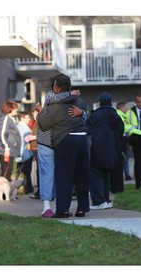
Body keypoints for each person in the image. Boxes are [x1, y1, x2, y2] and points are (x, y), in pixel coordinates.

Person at [37, 74, 89, 218]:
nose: (54, 89)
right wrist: (83, 113)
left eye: (55, 86)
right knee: (81, 176)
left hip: (66, 140)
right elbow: (87, 115)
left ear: (58, 89)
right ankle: (82, 209)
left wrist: (40, 112)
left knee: (64, 177)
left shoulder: (56, 106)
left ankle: (62, 210)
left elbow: (44, 123)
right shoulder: (80, 102)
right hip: (83, 139)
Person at [86, 92, 124, 209]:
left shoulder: (96, 115)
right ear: (110, 102)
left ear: (100, 103)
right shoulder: (116, 116)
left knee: (96, 175)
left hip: (98, 149)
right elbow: (121, 131)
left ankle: (98, 201)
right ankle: (106, 200)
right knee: (106, 175)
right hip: (112, 151)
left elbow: (87, 128)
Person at [0, 100, 21, 182]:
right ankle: (3, 193)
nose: (16, 110)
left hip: (10, 149)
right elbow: (2, 134)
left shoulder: (11, 119)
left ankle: (7, 193)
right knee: (6, 173)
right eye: (15, 108)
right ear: (9, 109)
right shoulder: (5, 119)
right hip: (5, 150)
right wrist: (6, 149)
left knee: (8, 171)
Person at [16, 111, 34, 194]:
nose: (29, 119)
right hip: (25, 153)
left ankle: (21, 188)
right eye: (27, 118)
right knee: (26, 172)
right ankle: (27, 188)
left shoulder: (18, 127)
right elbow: (26, 141)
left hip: (20, 153)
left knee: (20, 171)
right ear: (22, 118)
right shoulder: (24, 128)